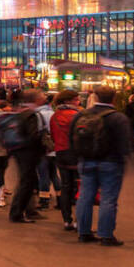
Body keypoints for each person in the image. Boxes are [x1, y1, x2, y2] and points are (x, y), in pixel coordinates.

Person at [69, 86, 133, 245]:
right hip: (111, 163)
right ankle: (106, 235)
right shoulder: (118, 118)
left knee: (85, 196)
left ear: (95, 98)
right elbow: (126, 143)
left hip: (86, 161)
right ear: (114, 98)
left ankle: (83, 232)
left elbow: (72, 137)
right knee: (108, 199)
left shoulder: (81, 115)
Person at [6, 90, 47, 223]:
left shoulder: (20, 112)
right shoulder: (31, 115)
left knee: (27, 181)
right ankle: (17, 213)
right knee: (26, 182)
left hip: (19, 152)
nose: (45, 98)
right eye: (42, 96)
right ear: (36, 100)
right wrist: (42, 142)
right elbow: (32, 136)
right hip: (28, 153)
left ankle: (23, 211)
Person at [50, 90, 83, 231]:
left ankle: (66, 220)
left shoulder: (54, 116)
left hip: (61, 153)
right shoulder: (77, 116)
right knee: (79, 187)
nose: (79, 102)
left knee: (65, 186)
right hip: (75, 154)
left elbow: (52, 136)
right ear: (68, 101)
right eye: (76, 100)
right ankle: (78, 220)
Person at [35, 92, 57, 209]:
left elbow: (37, 132)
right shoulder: (54, 113)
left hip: (42, 148)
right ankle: (60, 199)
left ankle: (44, 200)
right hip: (54, 147)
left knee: (43, 175)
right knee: (54, 174)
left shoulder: (38, 114)